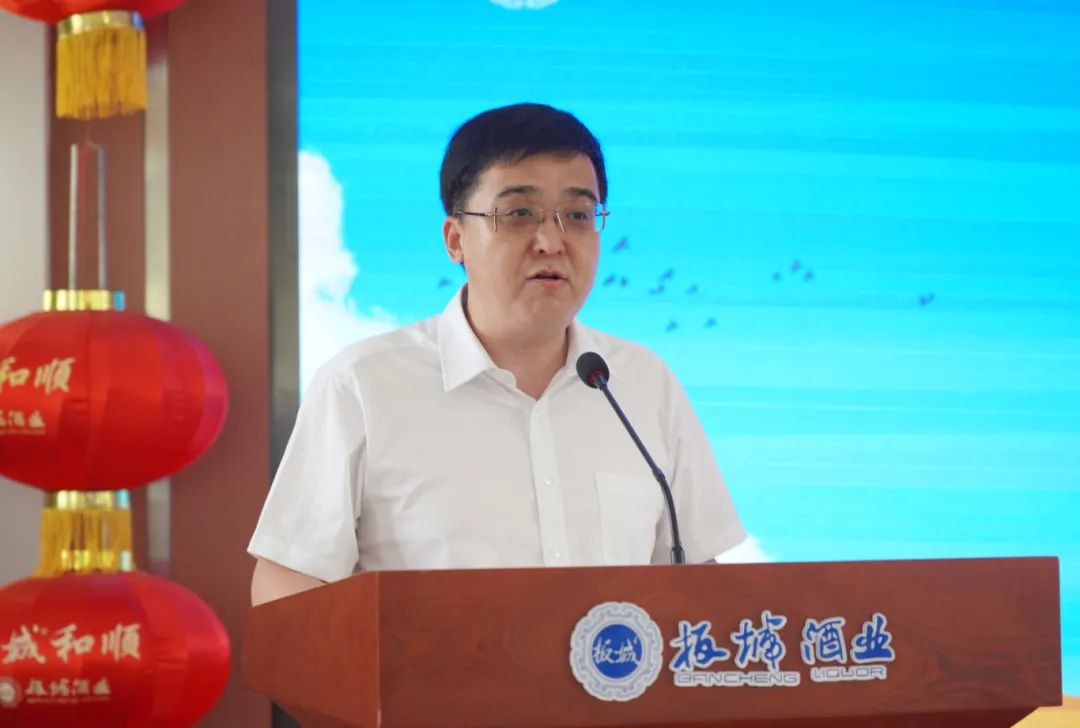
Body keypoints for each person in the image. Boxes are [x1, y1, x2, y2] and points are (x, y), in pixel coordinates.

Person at [249, 103, 746, 606]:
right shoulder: (363, 385)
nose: (551, 241)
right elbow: (285, 582)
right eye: (519, 214)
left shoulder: (643, 384)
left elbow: (699, 584)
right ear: (455, 239)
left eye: (577, 215)